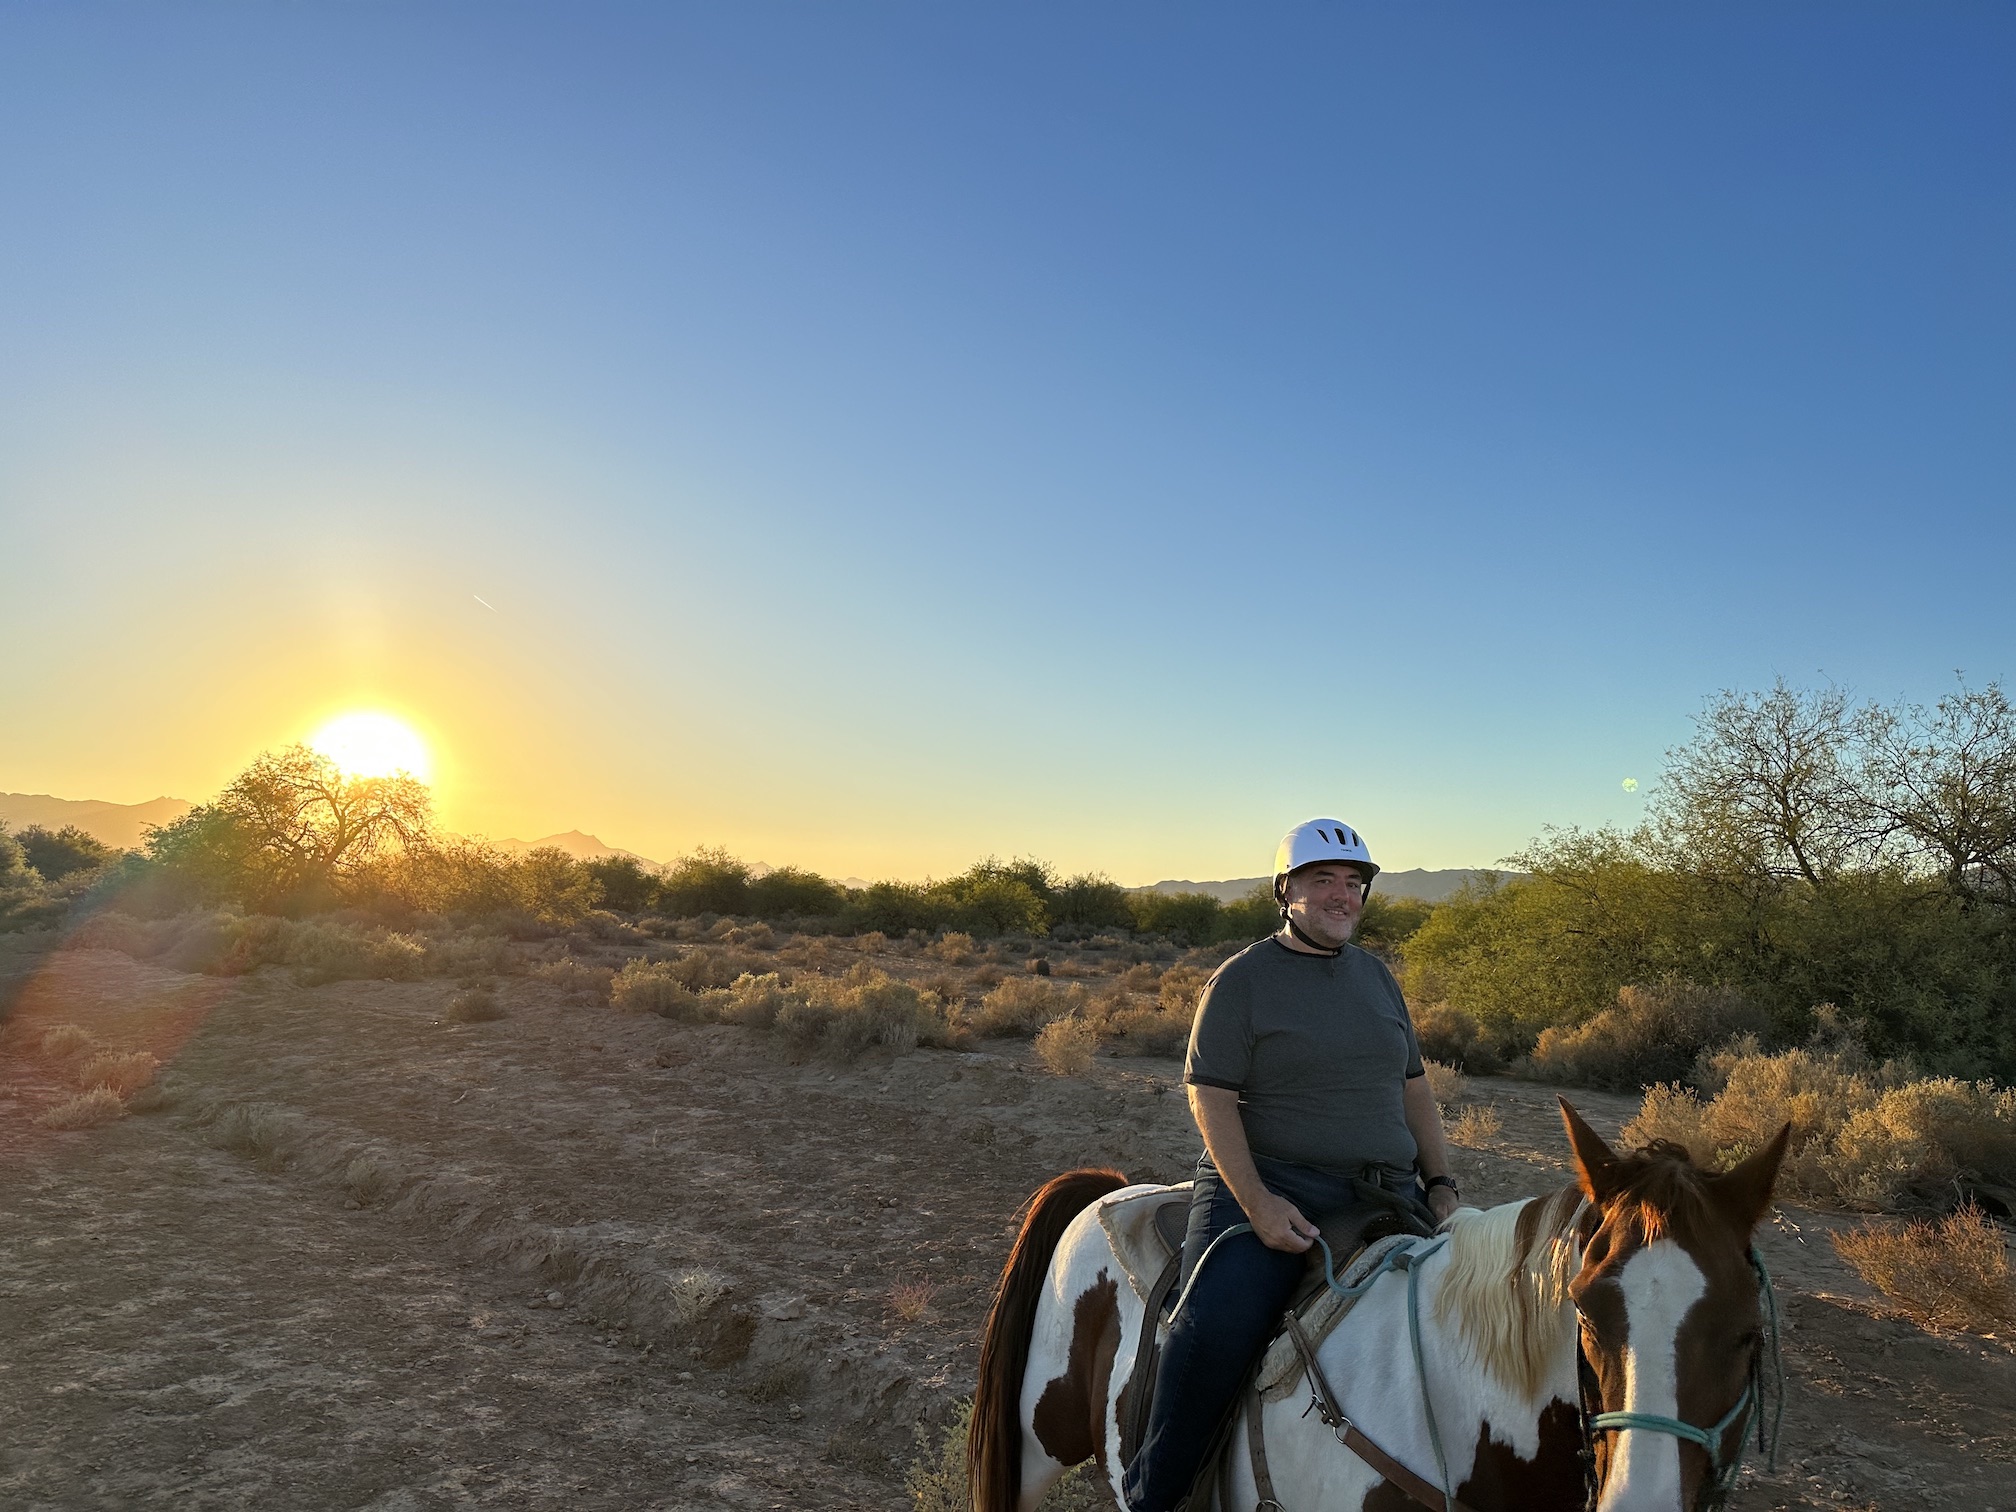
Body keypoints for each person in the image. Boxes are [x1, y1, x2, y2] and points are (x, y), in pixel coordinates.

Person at [1121, 818, 1460, 1512]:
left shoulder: (1376, 978)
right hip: (1275, 1183)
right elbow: (1210, 1098)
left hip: (1387, 1193)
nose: (1341, 896)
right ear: (1286, 891)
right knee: (1212, 1330)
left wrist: (1442, 1186)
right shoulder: (1242, 980)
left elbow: (1414, 1090)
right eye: (1321, 881)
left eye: (1352, 883)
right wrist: (1257, 1204)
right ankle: (1156, 1497)